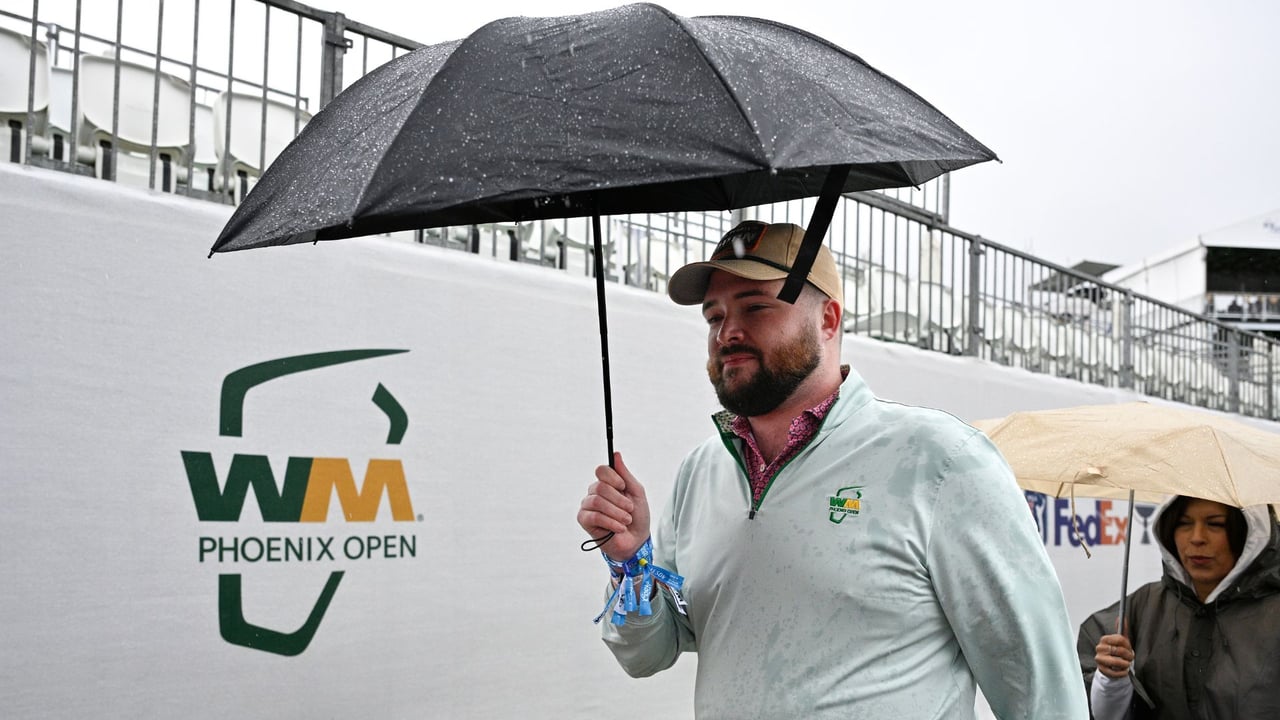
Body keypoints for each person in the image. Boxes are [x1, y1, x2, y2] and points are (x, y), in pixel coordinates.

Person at [576, 220, 1088, 719]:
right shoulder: (700, 472)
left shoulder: (943, 460)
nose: (728, 332)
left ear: (828, 320)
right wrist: (630, 564)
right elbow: (648, 653)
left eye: (755, 307)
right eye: (714, 317)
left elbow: (1040, 690)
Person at [1077, 496, 1280, 720]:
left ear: (1250, 533)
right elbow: (1105, 713)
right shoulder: (1141, 607)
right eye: (1184, 523)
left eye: (1215, 524)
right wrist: (1110, 680)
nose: (1197, 538)